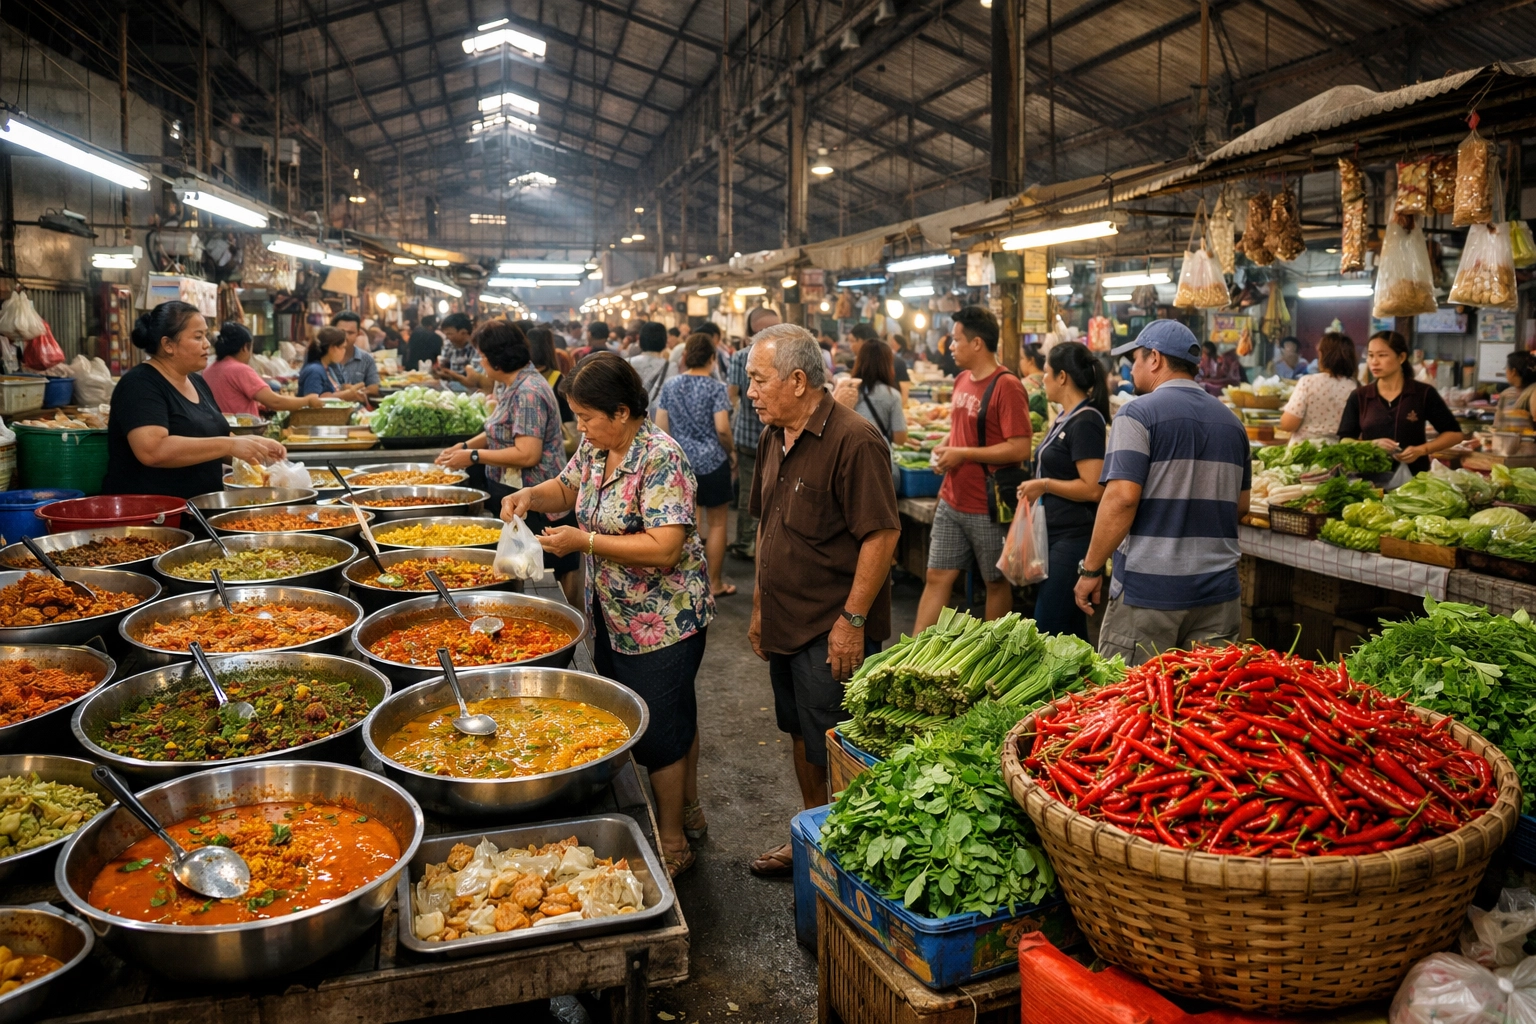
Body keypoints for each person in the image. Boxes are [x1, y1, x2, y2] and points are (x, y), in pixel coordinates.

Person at [501, 353, 714, 878]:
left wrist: (585, 540)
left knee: (662, 728)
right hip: (612, 612)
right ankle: (688, 808)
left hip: (663, 619)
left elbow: (666, 547)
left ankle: (671, 837)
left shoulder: (660, 457)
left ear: (622, 412)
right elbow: (567, 488)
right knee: (658, 714)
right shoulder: (598, 449)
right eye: (576, 416)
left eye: (588, 417)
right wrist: (531, 494)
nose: (582, 427)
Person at [745, 324, 900, 878]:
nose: (752, 393)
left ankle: (849, 855)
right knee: (798, 733)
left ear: (797, 379)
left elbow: (881, 536)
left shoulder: (854, 440)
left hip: (830, 627)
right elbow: (768, 527)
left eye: (760, 381)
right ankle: (812, 832)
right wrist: (761, 607)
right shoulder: (773, 435)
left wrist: (852, 621)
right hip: (786, 620)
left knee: (836, 740)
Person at [1073, 320, 1250, 666]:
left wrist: (1090, 569)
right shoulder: (1233, 424)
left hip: (1149, 594)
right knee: (1204, 709)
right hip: (1219, 594)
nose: (1132, 367)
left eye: (1135, 359)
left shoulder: (1137, 414)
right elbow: (1240, 506)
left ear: (1154, 359)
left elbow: (1122, 498)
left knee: (1132, 705)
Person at [436, 321, 579, 606]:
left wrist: (473, 457)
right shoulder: (512, 384)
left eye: (483, 356)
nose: (480, 362)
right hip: (517, 492)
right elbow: (497, 431)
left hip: (538, 498)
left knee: (546, 575)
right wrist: (464, 447)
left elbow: (528, 454)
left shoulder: (529, 392)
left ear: (498, 359)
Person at [912, 305, 1033, 632]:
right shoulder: (962, 380)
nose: (950, 346)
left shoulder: (1007, 386)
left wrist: (963, 453)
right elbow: (959, 431)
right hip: (952, 499)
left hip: (987, 505)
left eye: (955, 340)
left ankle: (989, 654)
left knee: (995, 581)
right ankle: (908, 656)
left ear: (977, 343)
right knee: (937, 575)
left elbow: (1020, 446)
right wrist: (946, 450)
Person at [103, 301, 286, 499]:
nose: (207, 344)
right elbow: (152, 450)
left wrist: (254, 445)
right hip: (154, 518)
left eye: (206, 336)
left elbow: (211, 438)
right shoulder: (139, 384)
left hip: (199, 510)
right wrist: (229, 445)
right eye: (198, 337)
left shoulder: (196, 381)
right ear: (168, 345)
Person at [1013, 342, 1108, 640]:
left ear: (1063, 377)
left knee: (1048, 622)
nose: (1042, 379)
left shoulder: (1087, 420)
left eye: (1047, 372)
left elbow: (1093, 488)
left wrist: (1043, 485)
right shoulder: (1064, 417)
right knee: (1069, 628)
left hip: (1074, 537)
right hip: (1054, 534)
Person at [656, 334, 736, 598]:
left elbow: (661, 428)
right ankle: (715, 583)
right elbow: (723, 429)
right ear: (712, 358)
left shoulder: (670, 385)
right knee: (717, 524)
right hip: (713, 463)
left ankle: (686, 585)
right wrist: (730, 452)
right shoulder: (716, 388)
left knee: (684, 526)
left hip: (681, 465)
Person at [1338, 331, 1465, 476]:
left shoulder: (1423, 393)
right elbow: (1345, 440)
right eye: (1371, 355)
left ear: (1401, 357)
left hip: (1414, 480)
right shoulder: (1360, 396)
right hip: (1370, 481)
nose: (1374, 361)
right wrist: (1371, 444)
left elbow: (1455, 434)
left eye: (1382, 355)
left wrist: (1421, 450)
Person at [726, 308, 780, 558]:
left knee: (751, 490)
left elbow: (733, 396)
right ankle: (764, 542)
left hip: (749, 434)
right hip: (775, 435)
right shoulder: (783, 356)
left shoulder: (740, 357)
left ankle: (748, 543)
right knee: (774, 489)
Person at [202, 322, 322, 416]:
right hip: (242, 437)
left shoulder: (208, 370)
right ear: (245, 347)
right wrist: (308, 401)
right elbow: (275, 402)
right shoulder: (240, 369)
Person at [1279, 332, 1359, 442]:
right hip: (1340, 453)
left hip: (1304, 451)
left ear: (1323, 355)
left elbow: (1288, 424)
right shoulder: (1355, 387)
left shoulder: (1308, 382)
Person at [835, 335, 908, 446]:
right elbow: (900, 439)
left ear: (859, 361)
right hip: (879, 457)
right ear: (887, 364)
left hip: (850, 457)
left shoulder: (846, 390)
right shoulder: (892, 395)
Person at [297, 328, 369, 401]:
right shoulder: (314, 370)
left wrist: (346, 389)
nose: (344, 351)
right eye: (343, 347)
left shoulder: (327, 368)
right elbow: (312, 401)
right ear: (332, 348)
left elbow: (327, 392)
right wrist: (346, 395)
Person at [331, 311, 380, 398]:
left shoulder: (367, 359)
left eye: (350, 333)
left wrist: (354, 392)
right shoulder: (323, 358)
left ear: (358, 333)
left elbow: (374, 388)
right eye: (341, 331)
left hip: (358, 409)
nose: (345, 336)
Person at [629, 321, 670, 410]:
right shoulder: (670, 366)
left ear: (640, 340)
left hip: (631, 415)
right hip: (657, 416)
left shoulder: (627, 363)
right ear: (664, 341)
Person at [434, 312, 479, 388]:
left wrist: (452, 376)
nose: (447, 337)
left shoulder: (476, 348)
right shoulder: (449, 344)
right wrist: (440, 371)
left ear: (463, 332)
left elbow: (474, 380)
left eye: (449, 334)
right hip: (450, 387)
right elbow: (443, 365)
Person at [1495, 350, 1536, 430]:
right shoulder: (1506, 394)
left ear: (1513, 372)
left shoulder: (1533, 392)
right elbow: (1496, 427)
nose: (1505, 371)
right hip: (1505, 440)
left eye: (1506, 368)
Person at [1019, 343, 1050, 419]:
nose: (1020, 362)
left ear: (1031, 361)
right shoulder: (1050, 381)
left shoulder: (1022, 385)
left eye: (1021, 358)